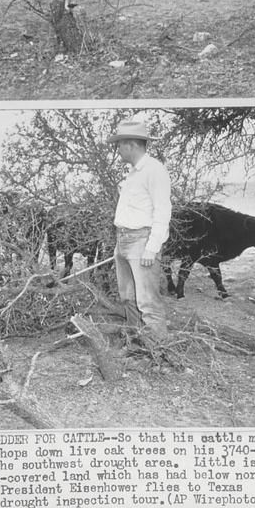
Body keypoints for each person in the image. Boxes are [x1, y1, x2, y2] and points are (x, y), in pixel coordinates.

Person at [107, 119, 172, 342]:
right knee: (128, 299)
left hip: (141, 242)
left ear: (131, 145)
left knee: (148, 303)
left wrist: (151, 249)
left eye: (119, 145)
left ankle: (158, 353)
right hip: (123, 241)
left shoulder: (155, 170)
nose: (118, 150)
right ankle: (138, 345)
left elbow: (163, 212)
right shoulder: (133, 173)